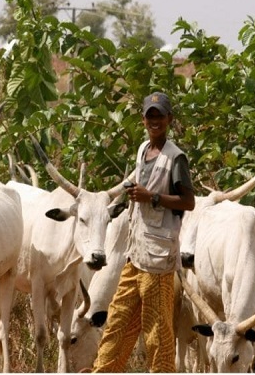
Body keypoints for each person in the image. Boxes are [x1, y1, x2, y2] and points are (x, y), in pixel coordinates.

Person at [90, 91, 196, 373]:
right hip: (135, 256)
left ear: (169, 119)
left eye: (160, 116)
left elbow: (188, 202)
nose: (154, 121)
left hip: (158, 263)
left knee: (158, 335)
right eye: (150, 116)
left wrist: (153, 197)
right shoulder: (142, 150)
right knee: (117, 321)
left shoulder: (176, 158)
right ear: (143, 120)